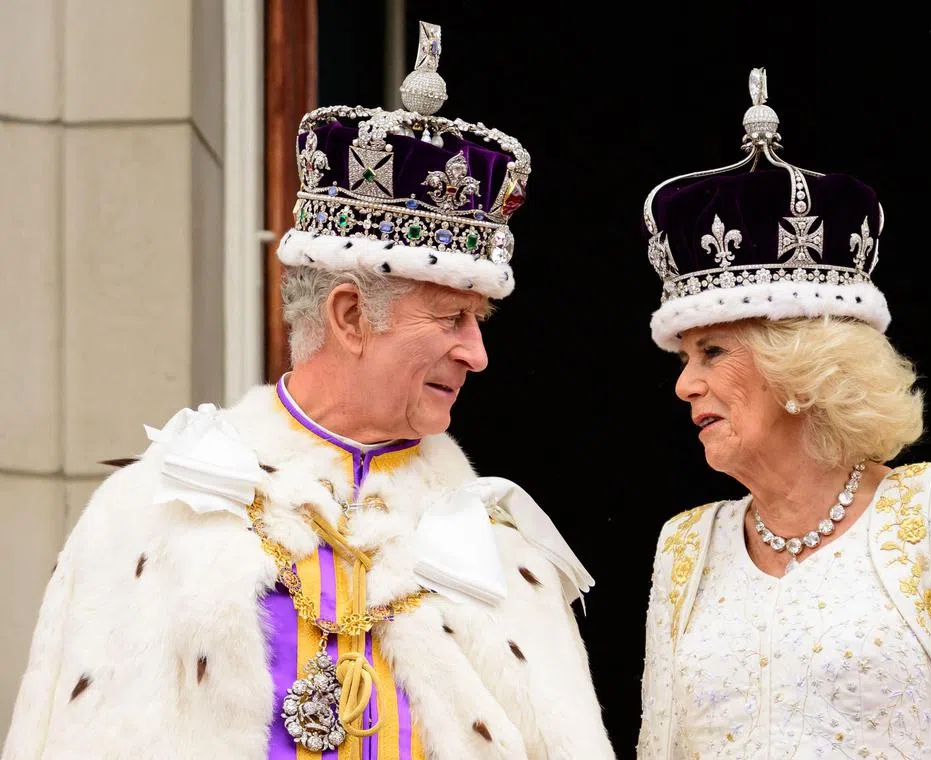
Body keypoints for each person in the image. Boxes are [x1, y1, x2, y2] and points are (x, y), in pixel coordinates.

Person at [3, 22, 616, 760]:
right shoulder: (150, 513)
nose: (477, 354)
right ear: (351, 317)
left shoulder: (504, 558)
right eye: (452, 318)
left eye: (478, 320)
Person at [635, 68, 931, 759]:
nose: (686, 386)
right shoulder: (685, 547)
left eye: (711, 352)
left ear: (800, 365)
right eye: (684, 360)